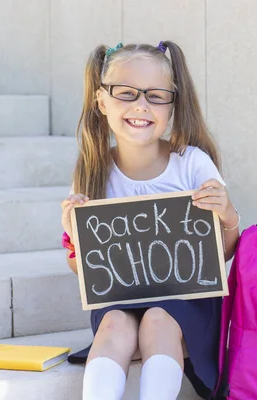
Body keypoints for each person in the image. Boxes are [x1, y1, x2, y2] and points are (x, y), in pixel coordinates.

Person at [60, 40, 241, 400]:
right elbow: (92, 271)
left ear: (172, 104)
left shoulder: (192, 164)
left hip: (187, 300)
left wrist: (227, 214)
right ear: (101, 101)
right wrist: (76, 236)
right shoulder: (94, 172)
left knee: (157, 320)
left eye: (156, 96)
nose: (141, 106)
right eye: (126, 93)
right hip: (122, 298)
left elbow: (221, 255)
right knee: (113, 324)